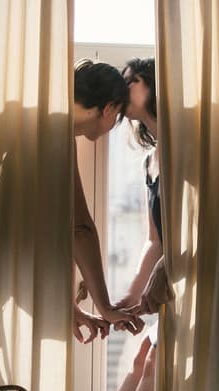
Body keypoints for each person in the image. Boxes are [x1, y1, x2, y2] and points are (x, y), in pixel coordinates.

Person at [102, 57, 174, 391]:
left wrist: (162, 274)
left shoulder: (188, 149)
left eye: (131, 80)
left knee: (152, 369)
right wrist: (129, 296)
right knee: (140, 361)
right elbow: (155, 240)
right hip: (169, 287)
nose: (124, 86)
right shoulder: (150, 160)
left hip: (190, 287)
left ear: (151, 86)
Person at [71, 59, 146, 344]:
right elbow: (79, 227)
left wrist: (71, 308)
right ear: (109, 108)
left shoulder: (42, 122)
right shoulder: (55, 135)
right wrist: (105, 308)